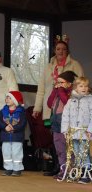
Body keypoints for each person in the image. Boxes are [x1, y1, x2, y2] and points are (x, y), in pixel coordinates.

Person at [32, 35, 84, 176]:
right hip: (52, 108)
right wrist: (37, 108)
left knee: (68, 139)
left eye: (63, 49)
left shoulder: (75, 65)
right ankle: (58, 167)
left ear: (67, 51)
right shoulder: (48, 67)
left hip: (69, 109)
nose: (60, 51)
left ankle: (72, 168)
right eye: (58, 49)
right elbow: (41, 89)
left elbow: (81, 86)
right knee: (55, 139)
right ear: (54, 50)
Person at [47, 71, 77, 179]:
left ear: (69, 83)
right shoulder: (57, 91)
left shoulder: (72, 93)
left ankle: (72, 170)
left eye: (61, 82)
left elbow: (66, 102)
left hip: (67, 123)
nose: (58, 84)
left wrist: (60, 91)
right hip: (56, 122)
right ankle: (63, 170)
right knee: (59, 148)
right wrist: (55, 91)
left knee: (69, 148)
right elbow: (49, 103)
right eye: (57, 82)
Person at [61, 77, 92, 184]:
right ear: (76, 87)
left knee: (84, 152)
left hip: (84, 132)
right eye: (81, 86)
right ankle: (79, 172)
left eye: (86, 86)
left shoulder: (90, 100)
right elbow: (65, 116)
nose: (84, 88)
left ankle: (86, 173)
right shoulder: (70, 101)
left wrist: (90, 129)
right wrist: (65, 131)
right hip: (73, 133)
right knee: (76, 152)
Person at [0, 91, 26, 176]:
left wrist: (14, 128)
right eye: (6, 97)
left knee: (16, 153)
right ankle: (8, 168)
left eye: (9, 98)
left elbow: (23, 123)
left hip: (17, 137)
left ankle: (17, 169)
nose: (7, 99)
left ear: (15, 100)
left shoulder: (21, 112)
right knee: (6, 153)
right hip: (5, 137)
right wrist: (4, 127)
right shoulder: (3, 111)